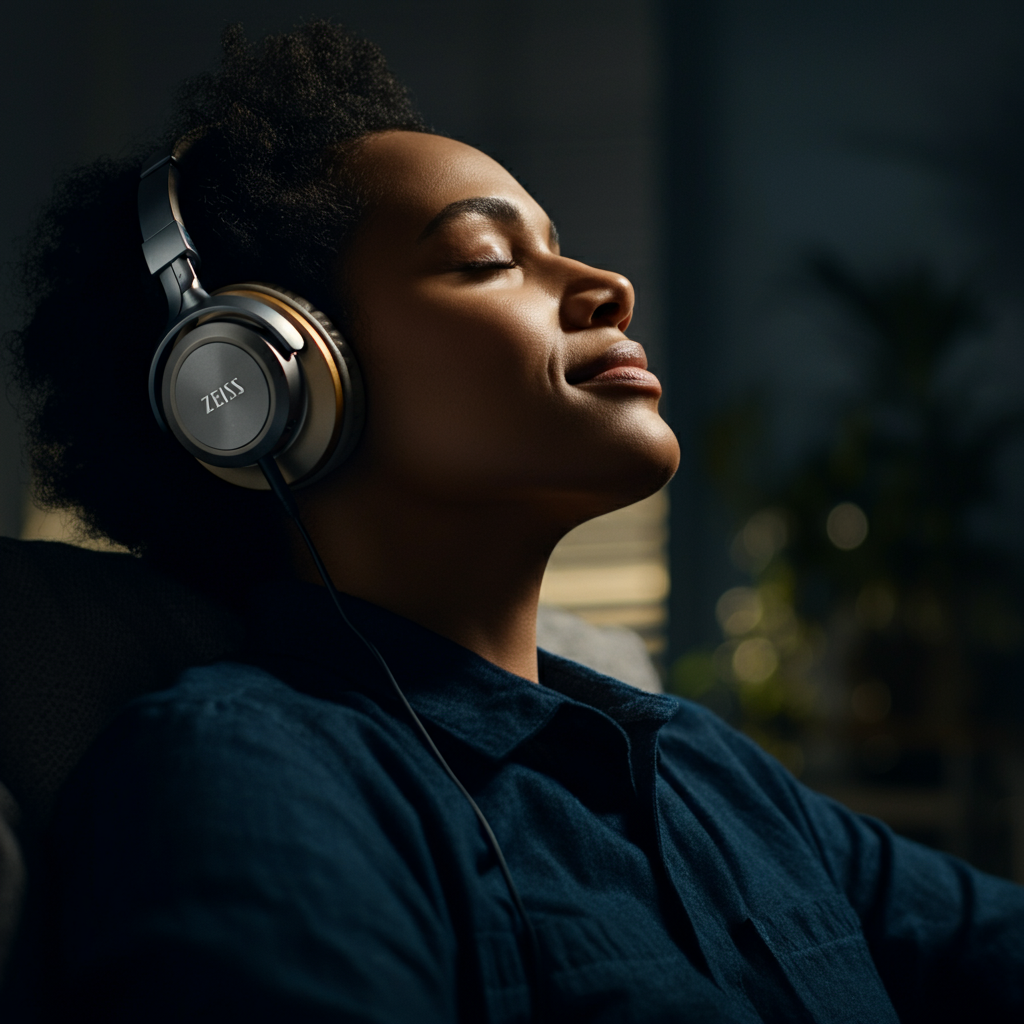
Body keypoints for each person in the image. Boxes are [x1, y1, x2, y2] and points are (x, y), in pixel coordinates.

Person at [6, 19, 1024, 1024]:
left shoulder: (699, 762)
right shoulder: (243, 780)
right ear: (259, 388)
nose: (608, 288)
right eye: (490, 258)